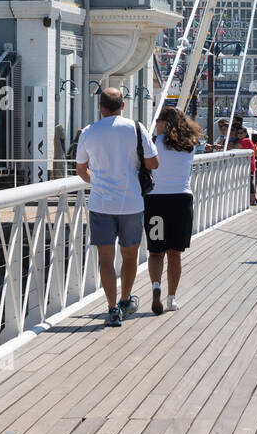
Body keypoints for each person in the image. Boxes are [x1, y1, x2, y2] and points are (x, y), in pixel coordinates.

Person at [76, 87, 158, 327]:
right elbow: (153, 162)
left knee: (105, 259)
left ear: (100, 107)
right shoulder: (135, 128)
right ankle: (125, 300)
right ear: (123, 105)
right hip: (131, 202)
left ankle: (111, 310)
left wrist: (99, 181)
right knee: (130, 255)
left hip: (101, 203)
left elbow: (81, 169)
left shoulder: (89, 132)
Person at [144, 107, 203, 313]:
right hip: (181, 201)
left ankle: (155, 286)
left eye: (158, 120)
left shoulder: (152, 144)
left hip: (156, 202)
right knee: (174, 254)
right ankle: (171, 298)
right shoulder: (190, 145)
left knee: (156, 252)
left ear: (164, 123)